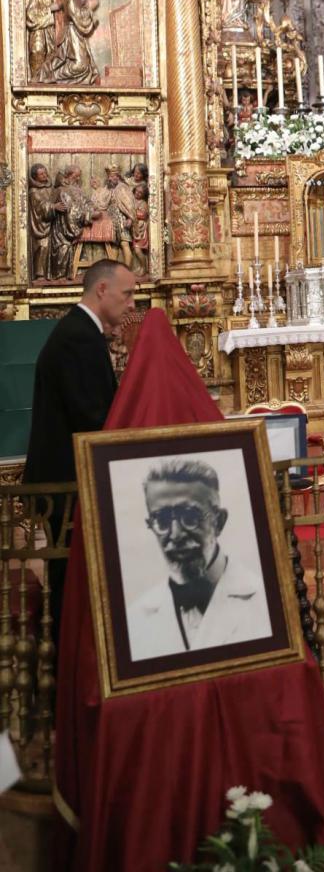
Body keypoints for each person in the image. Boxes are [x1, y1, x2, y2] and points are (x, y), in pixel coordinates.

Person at [23, 260, 135, 642]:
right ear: (101, 290)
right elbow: (92, 417)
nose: (132, 304)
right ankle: (64, 657)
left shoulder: (79, 331)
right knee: (68, 575)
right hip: (65, 481)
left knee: (70, 571)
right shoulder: (78, 337)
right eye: (127, 294)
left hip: (66, 477)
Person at [126, 457, 272, 660]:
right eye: (162, 520)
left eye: (190, 517)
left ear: (219, 522)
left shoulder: (267, 602)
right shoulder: (135, 620)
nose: (176, 535)